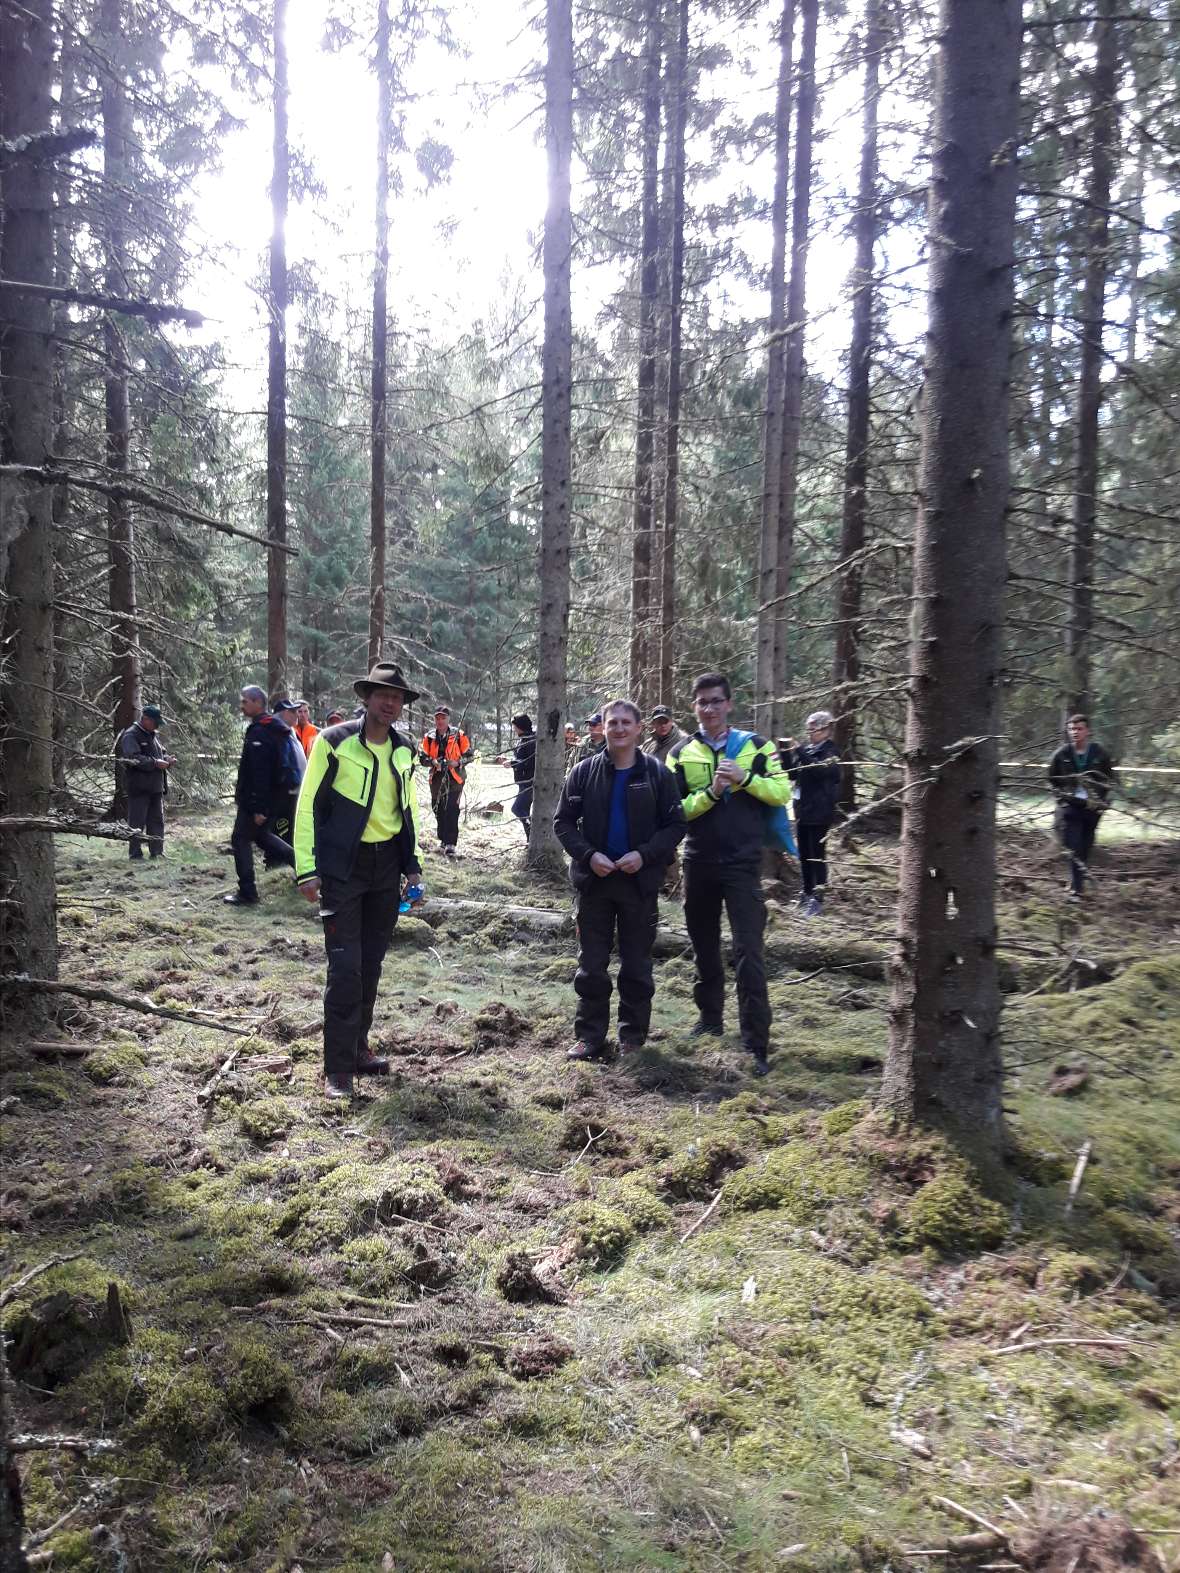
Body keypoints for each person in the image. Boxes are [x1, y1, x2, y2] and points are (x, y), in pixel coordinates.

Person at [294, 661, 425, 1099]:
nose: (390, 703)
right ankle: (337, 1069)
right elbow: (308, 805)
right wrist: (306, 868)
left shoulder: (404, 749)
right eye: (382, 695)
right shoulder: (332, 743)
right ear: (366, 698)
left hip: (386, 868)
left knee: (371, 963)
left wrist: (414, 866)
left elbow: (407, 812)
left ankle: (358, 1049)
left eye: (397, 698)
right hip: (342, 870)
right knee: (345, 967)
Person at [670, 672, 792, 1076]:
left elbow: (782, 793)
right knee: (704, 948)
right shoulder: (681, 752)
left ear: (729, 703)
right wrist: (712, 795)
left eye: (716, 701)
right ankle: (709, 1021)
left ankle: (756, 1043)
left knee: (748, 952)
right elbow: (675, 810)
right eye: (702, 702)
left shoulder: (757, 747)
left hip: (743, 865)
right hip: (698, 861)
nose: (709, 708)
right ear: (694, 707)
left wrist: (745, 779)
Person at [555, 699, 685, 1060]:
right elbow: (562, 822)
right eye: (613, 723)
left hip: (638, 884)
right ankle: (590, 1036)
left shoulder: (658, 774)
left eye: (627, 723)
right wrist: (587, 855)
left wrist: (644, 855)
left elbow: (676, 825)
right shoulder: (583, 771)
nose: (620, 729)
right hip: (595, 883)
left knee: (637, 965)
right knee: (591, 965)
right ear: (604, 727)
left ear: (639, 728)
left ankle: (632, 1038)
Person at [225, 685, 297, 906]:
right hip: (268, 799)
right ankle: (307, 866)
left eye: (245, 701)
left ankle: (248, 893)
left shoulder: (262, 730)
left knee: (240, 838)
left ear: (258, 703)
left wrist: (259, 808)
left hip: (258, 801)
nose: (242, 705)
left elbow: (261, 773)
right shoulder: (267, 728)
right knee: (262, 836)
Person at [1047, 714, 1117, 898]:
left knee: (1085, 846)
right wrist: (1061, 799)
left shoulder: (1100, 752)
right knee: (1074, 846)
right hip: (1071, 807)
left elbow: (1111, 779)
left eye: (1079, 729)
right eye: (1071, 729)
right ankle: (1077, 891)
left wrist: (1105, 801)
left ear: (1087, 731)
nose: (1074, 732)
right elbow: (1050, 779)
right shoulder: (1061, 754)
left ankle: (1076, 881)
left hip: (1093, 807)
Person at [782, 710, 842, 917]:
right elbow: (792, 775)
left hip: (820, 812)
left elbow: (820, 771)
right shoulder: (807, 749)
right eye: (808, 729)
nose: (810, 733)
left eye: (814, 729)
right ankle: (806, 893)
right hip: (803, 811)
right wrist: (785, 754)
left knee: (817, 856)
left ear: (826, 730)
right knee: (805, 855)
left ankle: (818, 898)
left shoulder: (831, 752)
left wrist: (800, 751)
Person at [117, 703, 174, 860]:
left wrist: (167, 759)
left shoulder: (152, 735)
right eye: (155, 723)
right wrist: (155, 763)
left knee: (157, 821)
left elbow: (160, 752)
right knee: (137, 822)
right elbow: (132, 758)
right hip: (139, 786)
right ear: (146, 719)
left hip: (155, 787)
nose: (157, 727)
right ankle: (135, 854)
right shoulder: (131, 735)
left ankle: (157, 852)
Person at [420, 704, 474, 857]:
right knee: (438, 809)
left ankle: (451, 843)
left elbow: (470, 755)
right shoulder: (429, 737)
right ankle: (443, 839)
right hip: (436, 778)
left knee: (451, 809)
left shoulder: (459, 735)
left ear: (448, 719)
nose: (440, 721)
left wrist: (458, 763)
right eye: (437, 718)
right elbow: (422, 757)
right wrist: (433, 762)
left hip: (455, 778)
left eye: (443, 718)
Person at [500, 713, 536, 838]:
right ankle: (530, 838)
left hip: (529, 782)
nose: (513, 729)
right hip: (524, 782)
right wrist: (510, 760)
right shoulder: (524, 739)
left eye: (514, 726)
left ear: (520, 726)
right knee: (523, 810)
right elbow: (521, 758)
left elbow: (529, 761)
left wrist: (512, 763)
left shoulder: (530, 740)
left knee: (517, 808)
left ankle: (532, 834)